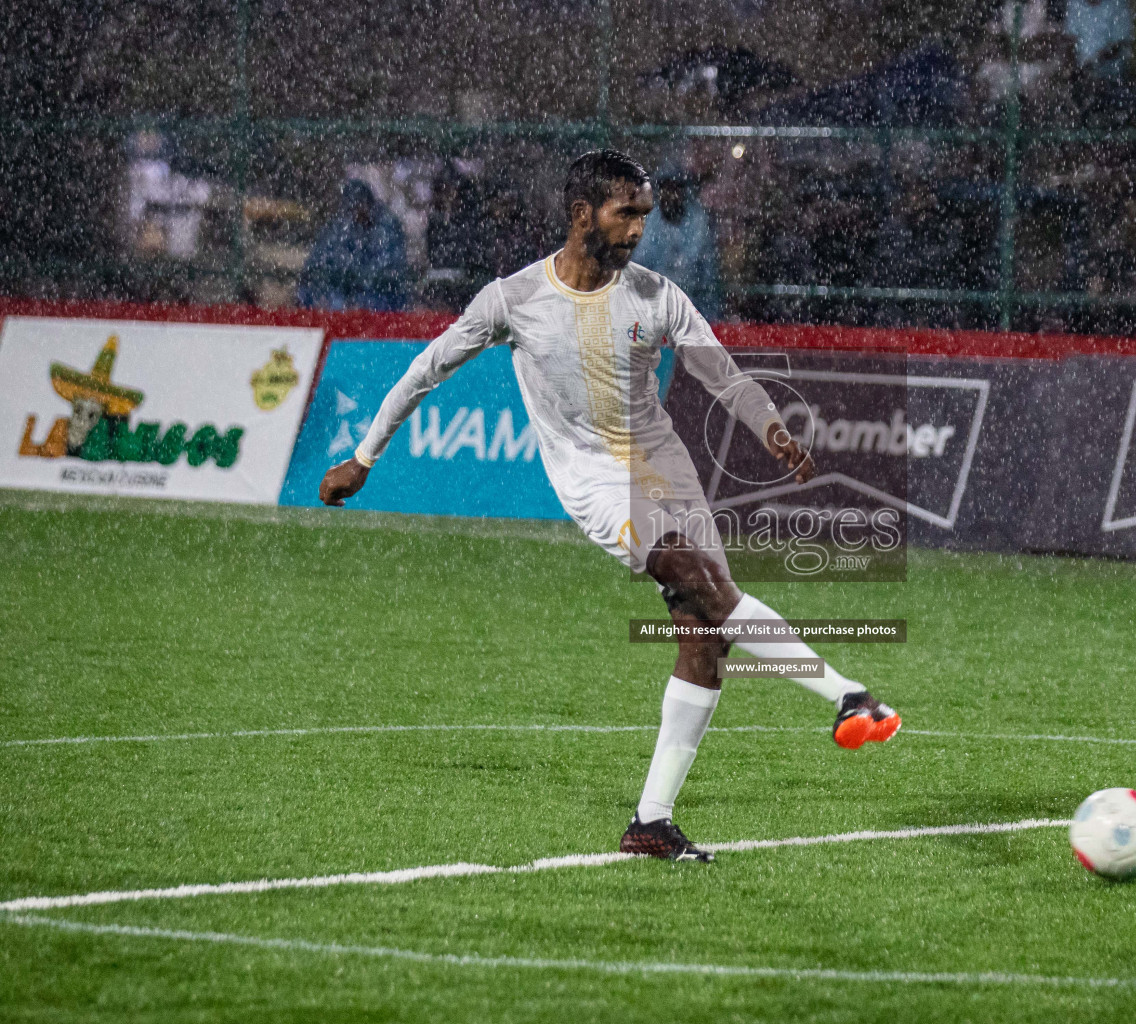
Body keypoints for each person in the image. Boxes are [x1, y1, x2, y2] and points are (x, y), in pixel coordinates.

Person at [317, 150, 901, 863]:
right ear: (579, 214)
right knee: (712, 590)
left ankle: (652, 822)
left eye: (644, 216)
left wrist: (769, 427)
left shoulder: (656, 296)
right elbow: (424, 372)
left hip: (665, 468)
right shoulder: (513, 299)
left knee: (705, 634)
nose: (637, 231)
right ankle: (846, 693)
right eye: (625, 214)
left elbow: (724, 374)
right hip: (593, 482)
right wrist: (365, 457)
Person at [297, 179, 411, 312]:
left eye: (358, 206)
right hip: (347, 290)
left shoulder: (388, 226)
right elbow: (323, 256)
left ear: (368, 204)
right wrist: (327, 274)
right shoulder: (345, 226)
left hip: (382, 293)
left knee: (364, 300)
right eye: (350, 208)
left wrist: (357, 276)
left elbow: (389, 267)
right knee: (315, 295)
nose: (354, 212)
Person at [630, 168, 724, 321]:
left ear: (684, 193)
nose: (670, 195)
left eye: (675, 189)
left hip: (694, 307)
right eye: (665, 189)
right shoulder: (648, 223)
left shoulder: (698, 221)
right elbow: (639, 267)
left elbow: (707, 273)